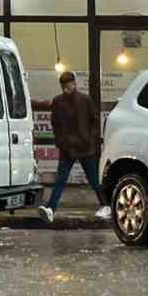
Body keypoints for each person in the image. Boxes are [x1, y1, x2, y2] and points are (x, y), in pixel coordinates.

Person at [43, 70, 111, 224]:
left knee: (93, 179)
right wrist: (61, 141)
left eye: (70, 85)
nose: (68, 88)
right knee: (62, 179)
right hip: (71, 147)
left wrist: (89, 139)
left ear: (74, 83)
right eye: (65, 86)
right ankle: (51, 209)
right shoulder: (60, 101)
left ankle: (106, 205)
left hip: (83, 147)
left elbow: (94, 122)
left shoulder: (84, 100)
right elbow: (55, 124)